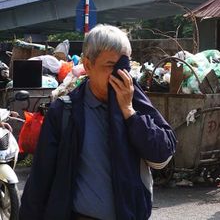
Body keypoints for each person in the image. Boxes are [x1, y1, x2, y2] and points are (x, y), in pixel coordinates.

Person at [19, 24, 177, 220]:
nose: (119, 74)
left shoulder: (135, 100)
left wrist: (129, 112)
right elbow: (40, 179)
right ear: (88, 65)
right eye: (110, 66)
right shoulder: (65, 111)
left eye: (124, 65)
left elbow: (161, 157)